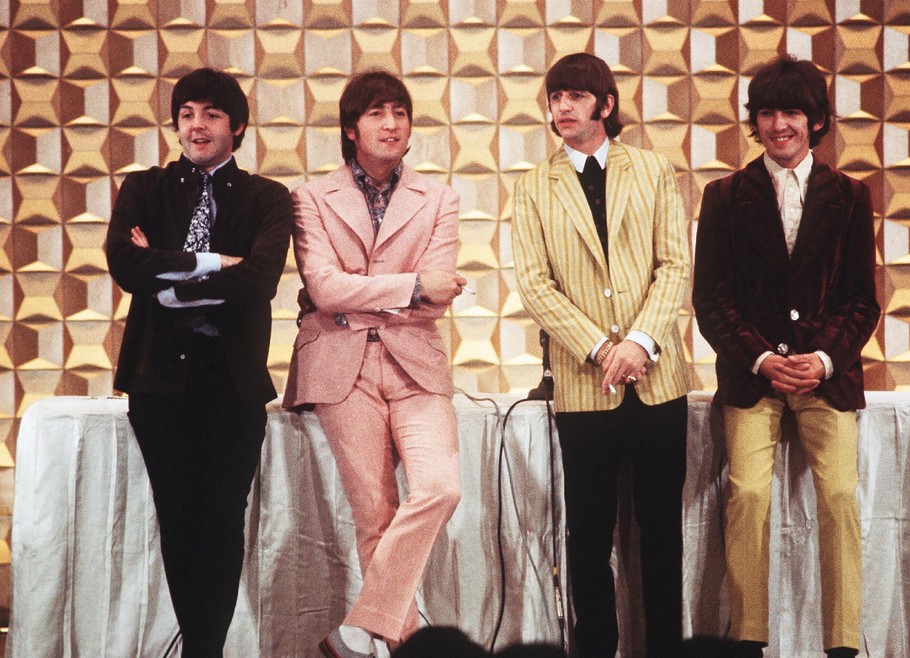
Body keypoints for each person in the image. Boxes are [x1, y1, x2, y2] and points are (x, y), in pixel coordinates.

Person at [692, 54, 880, 658]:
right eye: (767, 112)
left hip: (827, 377)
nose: (779, 125)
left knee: (842, 497)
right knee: (747, 495)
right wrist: (762, 359)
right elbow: (710, 298)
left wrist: (823, 360)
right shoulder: (724, 196)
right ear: (754, 122)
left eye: (792, 112)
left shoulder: (852, 196)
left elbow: (862, 301)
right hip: (753, 379)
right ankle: (748, 640)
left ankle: (844, 645)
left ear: (817, 120)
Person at [105, 67, 293, 657]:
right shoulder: (143, 188)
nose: (196, 125)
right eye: (186, 114)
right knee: (178, 520)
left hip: (232, 383)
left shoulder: (269, 197)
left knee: (220, 521)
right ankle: (202, 650)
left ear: (236, 125)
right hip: (158, 381)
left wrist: (166, 277)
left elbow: (260, 281)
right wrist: (215, 264)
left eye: (211, 114)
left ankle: (204, 648)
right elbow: (124, 267)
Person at [511, 53, 691, 657]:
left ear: (605, 105)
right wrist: (599, 347)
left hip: (657, 380)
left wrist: (639, 341)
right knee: (587, 535)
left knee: (662, 532)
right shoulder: (535, 185)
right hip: (584, 384)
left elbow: (674, 265)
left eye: (576, 96)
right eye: (555, 96)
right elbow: (536, 284)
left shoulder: (653, 170)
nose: (562, 107)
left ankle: (665, 647)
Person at [282, 70, 466, 658]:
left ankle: (357, 630)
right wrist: (412, 287)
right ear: (349, 127)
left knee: (439, 487)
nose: (392, 124)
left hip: (415, 364)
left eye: (401, 113)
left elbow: (434, 295)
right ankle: (395, 645)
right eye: (377, 114)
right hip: (339, 365)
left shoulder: (439, 197)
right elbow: (327, 286)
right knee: (375, 514)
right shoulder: (310, 197)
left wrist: (370, 296)